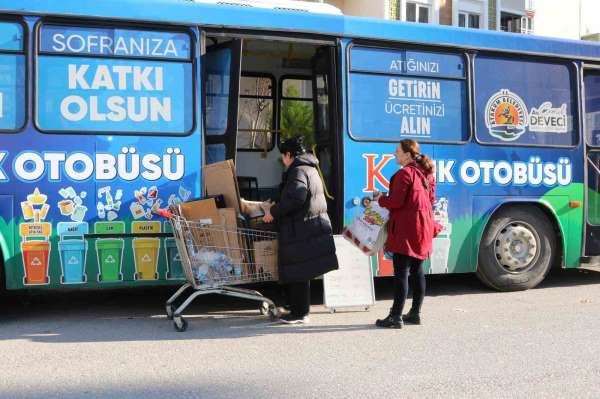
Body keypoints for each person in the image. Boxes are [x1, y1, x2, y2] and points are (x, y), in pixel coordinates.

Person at [262, 136, 339, 324]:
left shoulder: (297, 171)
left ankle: (300, 313)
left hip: (301, 227)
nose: (283, 160)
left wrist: (273, 212)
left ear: (289, 154)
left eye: (283, 156)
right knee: (300, 271)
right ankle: (294, 308)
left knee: (299, 271)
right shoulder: (309, 169)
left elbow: (297, 198)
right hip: (305, 226)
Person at [373, 139, 436, 329]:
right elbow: (430, 198)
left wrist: (381, 198)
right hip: (423, 227)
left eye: (397, 152)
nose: (395, 155)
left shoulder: (404, 174)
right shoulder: (427, 173)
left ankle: (395, 316)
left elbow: (396, 202)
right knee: (417, 271)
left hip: (407, 228)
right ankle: (415, 313)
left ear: (408, 155)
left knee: (401, 272)